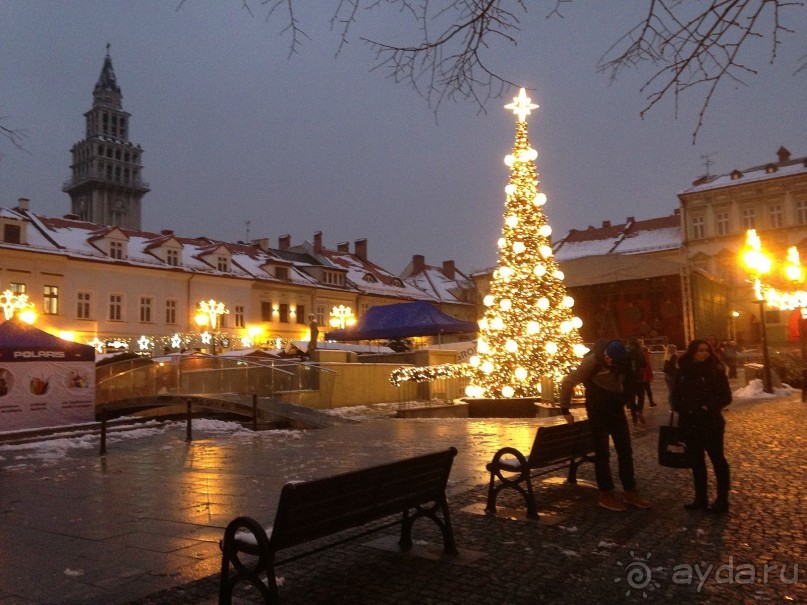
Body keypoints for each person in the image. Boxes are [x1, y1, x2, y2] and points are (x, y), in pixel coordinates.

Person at [560, 339, 651, 512]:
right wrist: (565, 409)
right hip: (597, 410)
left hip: (616, 409)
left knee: (625, 450)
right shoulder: (593, 361)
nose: (609, 361)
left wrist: (633, 408)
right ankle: (606, 493)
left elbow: (631, 385)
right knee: (602, 453)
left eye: (612, 360)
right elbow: (568, 382)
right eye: (607, 358)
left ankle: (630, 490)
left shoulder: (624, 362)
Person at [670, 339, 732, 514]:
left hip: (710, 422)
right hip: (689, 422)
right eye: (700, 350)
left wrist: (707, 406)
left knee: (717, 459)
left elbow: (725, 396)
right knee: (696, 461)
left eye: (707, 350)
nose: (704, 353)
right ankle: (701, 498)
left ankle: (722, 499)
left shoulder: (716, 370)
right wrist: (679, 406)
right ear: (692, 352)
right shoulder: (683, 370)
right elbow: (674, 394)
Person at [624, 336, 647, 428]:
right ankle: (639, 411)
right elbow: (644, 364)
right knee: (641, 396)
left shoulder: (626, 352)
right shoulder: (639, 352)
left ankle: (634, 419)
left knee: (632, 399)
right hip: (639, 378)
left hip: (629, 380)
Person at [640, 341, 656, 407]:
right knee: (648, 389)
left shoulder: (636, 352)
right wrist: (650, 374)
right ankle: (651, 402)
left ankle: (637, 405)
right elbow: (647, 364)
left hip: (639, 374)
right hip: (645, 374)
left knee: (639, 391)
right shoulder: (645, 352)